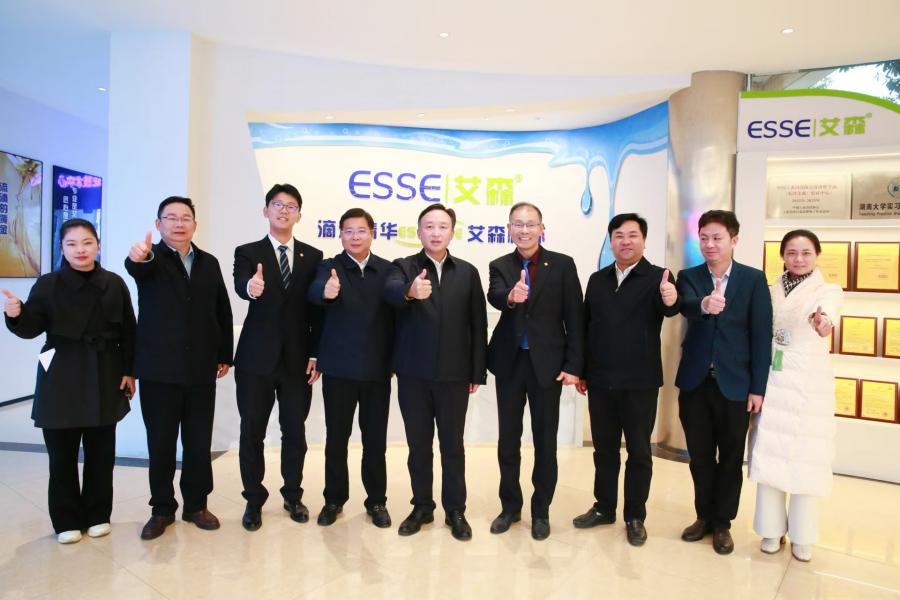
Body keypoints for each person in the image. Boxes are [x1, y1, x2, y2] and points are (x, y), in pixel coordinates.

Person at [4, 219, 135, 544]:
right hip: (60, 374)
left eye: (87, 242)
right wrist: (15, 314)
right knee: (61, 456)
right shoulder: (48, 284)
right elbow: (31, 327)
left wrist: (130, 371)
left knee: (101, 453)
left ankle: (98, 515)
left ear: (98, 245)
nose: (80, 250)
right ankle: (66, 520)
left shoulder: (114, 283)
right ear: (61, 248)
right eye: (72, 244)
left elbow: (130, 331)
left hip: (105, 372)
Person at [125, 196, 233, 541]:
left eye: (185, 217)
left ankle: (196, 505)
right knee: (161, 443)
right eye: (170, 217)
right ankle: (161, 509)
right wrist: (138, 257)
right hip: (159, 370)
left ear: (195, 224)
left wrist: (225, 354)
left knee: (198, 442)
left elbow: (222, 309)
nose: (179, 223)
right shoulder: (150, 259)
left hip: (201, 368)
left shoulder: (208, 262)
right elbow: (136, 268)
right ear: (158, 224)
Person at [572, 213, 679, 546]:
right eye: (619, 235)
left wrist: (671, 299)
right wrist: (583, 371)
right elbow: (586, 326)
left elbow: (670, 309)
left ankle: (635, 516)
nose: (626, 241)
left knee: (638, 452)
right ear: (611, 241)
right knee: (604, 450)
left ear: (643, 240)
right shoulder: (597, 279)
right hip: (600, 380)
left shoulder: (659, 277)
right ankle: (604, 507)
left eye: (633, 235)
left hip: (639, 382)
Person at [384, 204, 487, 541]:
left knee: (453, 446)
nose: (436, 232)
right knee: (418, 446)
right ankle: (422, 507)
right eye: (429, 226)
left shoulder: (467, 272)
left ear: (452, 232)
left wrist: (477, 371)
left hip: (454, 376)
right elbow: (390, 293)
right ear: (419, 232)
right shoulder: (404, 267)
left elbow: (478, 323)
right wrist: (409, 291)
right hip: (413, 374)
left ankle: (455, 510)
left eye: (443, 226)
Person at [675, 209, 773, 555]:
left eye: (717, 238)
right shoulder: (689, 276)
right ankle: (703, 516)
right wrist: (704, 303)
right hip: (695, 383)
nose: (710, 244)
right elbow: (685, 305)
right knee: (700, 456)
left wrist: (758, 387)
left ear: (734, 240)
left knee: (731, 458)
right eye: (704, 238)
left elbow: (761, 335)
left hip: (736, 385)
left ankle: (723, 523)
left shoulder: (753, 280)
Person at [486, 202, 583, 541]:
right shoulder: (499, 265)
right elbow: (496, 296)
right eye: (518, 224)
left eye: (530, 224)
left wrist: (574, 365)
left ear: (542, 228)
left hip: (548, 365)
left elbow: (575, 317)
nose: (524, 230)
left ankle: (541, 511)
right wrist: (512, 297)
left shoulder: (563, 265)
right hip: (510, 363)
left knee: (545, 441)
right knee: (508, 441)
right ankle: (510, 507)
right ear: (508, 229)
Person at [233, 183, 323, 532]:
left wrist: (315, 353)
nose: (284, 211)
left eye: (291, 206)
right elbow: (242, 284)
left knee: (294, 431)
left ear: (299, 214)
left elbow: (316, 310)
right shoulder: (247, 252)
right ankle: (253, 499)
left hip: (297, 361)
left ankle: (293, 495)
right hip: (256, 360)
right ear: (266, 211)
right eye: (277, 204)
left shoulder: (313, 256)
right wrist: (250, 288)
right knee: (252, 430)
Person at [748, 229, 842, 562]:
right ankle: (770, 529)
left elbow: (828, 316)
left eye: (805, 253)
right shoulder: (770, 288)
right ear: (783, 256)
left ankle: (803, 535)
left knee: (806, 457)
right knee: (770, 450)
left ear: (817, 255)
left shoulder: (827, 290)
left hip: (808, 379)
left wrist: (823, 323)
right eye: (791, 252)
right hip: (773, 375)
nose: (798, 259)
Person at [308, 208, 394, 528]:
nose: (355, 237)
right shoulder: (328, 267)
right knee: (336, 440)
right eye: (348, 231)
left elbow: (398, 318)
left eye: (361, 230)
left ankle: (377, 501)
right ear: (340, 235)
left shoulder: (388, 270)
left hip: (376, 370)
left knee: (375, 441)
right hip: (339, 370)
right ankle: (334, 499)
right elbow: (314, 293)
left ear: (373, 233)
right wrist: (326, 291)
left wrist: (394, 361)